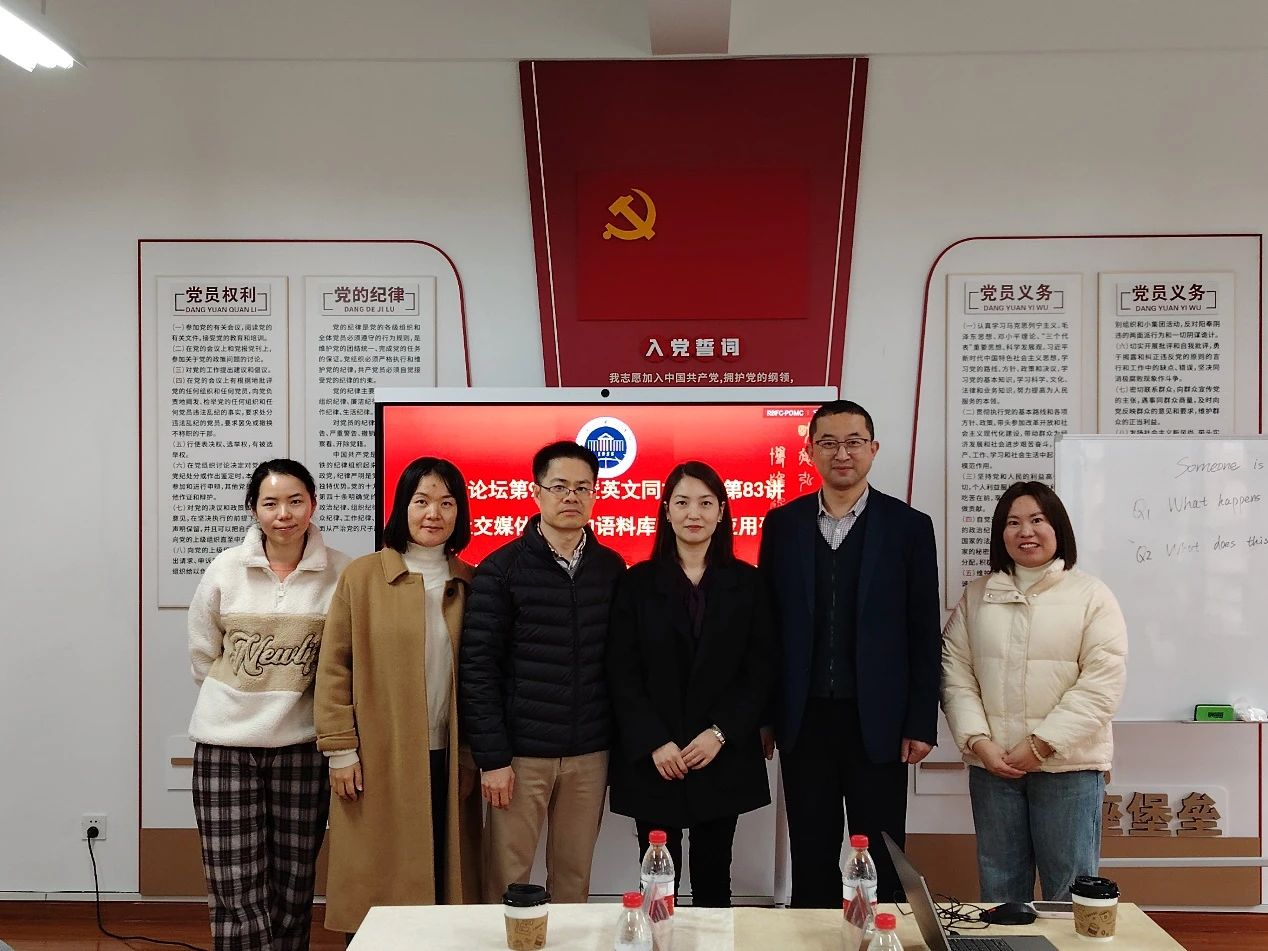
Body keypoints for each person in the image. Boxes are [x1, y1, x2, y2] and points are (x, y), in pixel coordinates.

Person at [758, 399, 941, 907]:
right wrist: (765, 716)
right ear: (810, 451)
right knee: (811, 852)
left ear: (873, 449)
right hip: (804, 719)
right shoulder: (783, 524)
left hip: (880, 722)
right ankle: (813, 938)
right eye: (829, 443)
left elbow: (924, 631)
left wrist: (921, 721)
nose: (842, 454)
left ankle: (880, 936)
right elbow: (767, 629)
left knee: (882, 854)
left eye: (854, 442)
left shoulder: (909, 526)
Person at [314, 456, 483, 939]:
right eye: (421, 501)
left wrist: (475, 754)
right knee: (379, 873)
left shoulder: (471, 581)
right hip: (376, 754)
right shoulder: (363, 576)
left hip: (449, 752)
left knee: (444, 869)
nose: (434, 513)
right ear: (402, 507)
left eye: (447, 503)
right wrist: (340, 749)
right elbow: (334, 667)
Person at [187, 458, 351, 950]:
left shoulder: (342, 572)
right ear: (254, 509)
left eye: (295, 501)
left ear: (313, 504)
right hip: (226, 747)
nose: (284, 514)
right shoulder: (225, 569)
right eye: (271, 503)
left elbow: (344, 662)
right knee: (235, 885)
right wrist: (239, 704)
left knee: (294, 885)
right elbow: (203, 653)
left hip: (302, 748)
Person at [942, 480, 1127, 902]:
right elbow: (955, 672)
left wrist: (1043, 744)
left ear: (1057, 527)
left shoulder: (1092, 596)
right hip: (995, 767)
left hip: (1068, 768)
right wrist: (978, 741)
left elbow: (1102, 684)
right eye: (1013, 523)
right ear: (1000, 534)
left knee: (1069, 889)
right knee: (1001, 889)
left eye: (1037, 520)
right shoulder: (978, 595)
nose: (1025, 531)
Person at [461, 440, 626, 903]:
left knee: (574, 877)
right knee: (507, 878)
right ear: (536, 493)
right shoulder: (501, 569)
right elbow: (478, 669)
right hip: (520, 757)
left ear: (594, 495)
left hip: (589, 752)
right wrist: (493, 758)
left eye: (582, 487)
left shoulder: (611, 568)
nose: (571, 497)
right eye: (559, 486)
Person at [607, 461, 775, 907]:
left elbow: (760, 669)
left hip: (720, 752)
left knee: (714, 876)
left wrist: (720, 732)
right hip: (655, 756)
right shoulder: (636, 583)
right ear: (666, 512)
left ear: (722, 511)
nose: (693, 513)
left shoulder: (749, 583)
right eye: (682, 502)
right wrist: (654, 741)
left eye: (705, 503)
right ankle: (657, 938)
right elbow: (622, 671)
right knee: (657, 881)